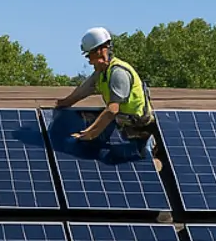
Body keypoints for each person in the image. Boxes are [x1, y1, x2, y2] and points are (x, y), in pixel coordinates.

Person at [55, 27, 161, 170]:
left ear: (99, 51)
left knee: (142, 168)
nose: (89, 62)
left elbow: (112, 110)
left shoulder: (118, 73)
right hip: (125, 127)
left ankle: (151, 158)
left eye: (89, 56)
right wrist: (63, 103)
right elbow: (83, 91)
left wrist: (89, 134)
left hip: (141, 131)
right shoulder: (101, 72)